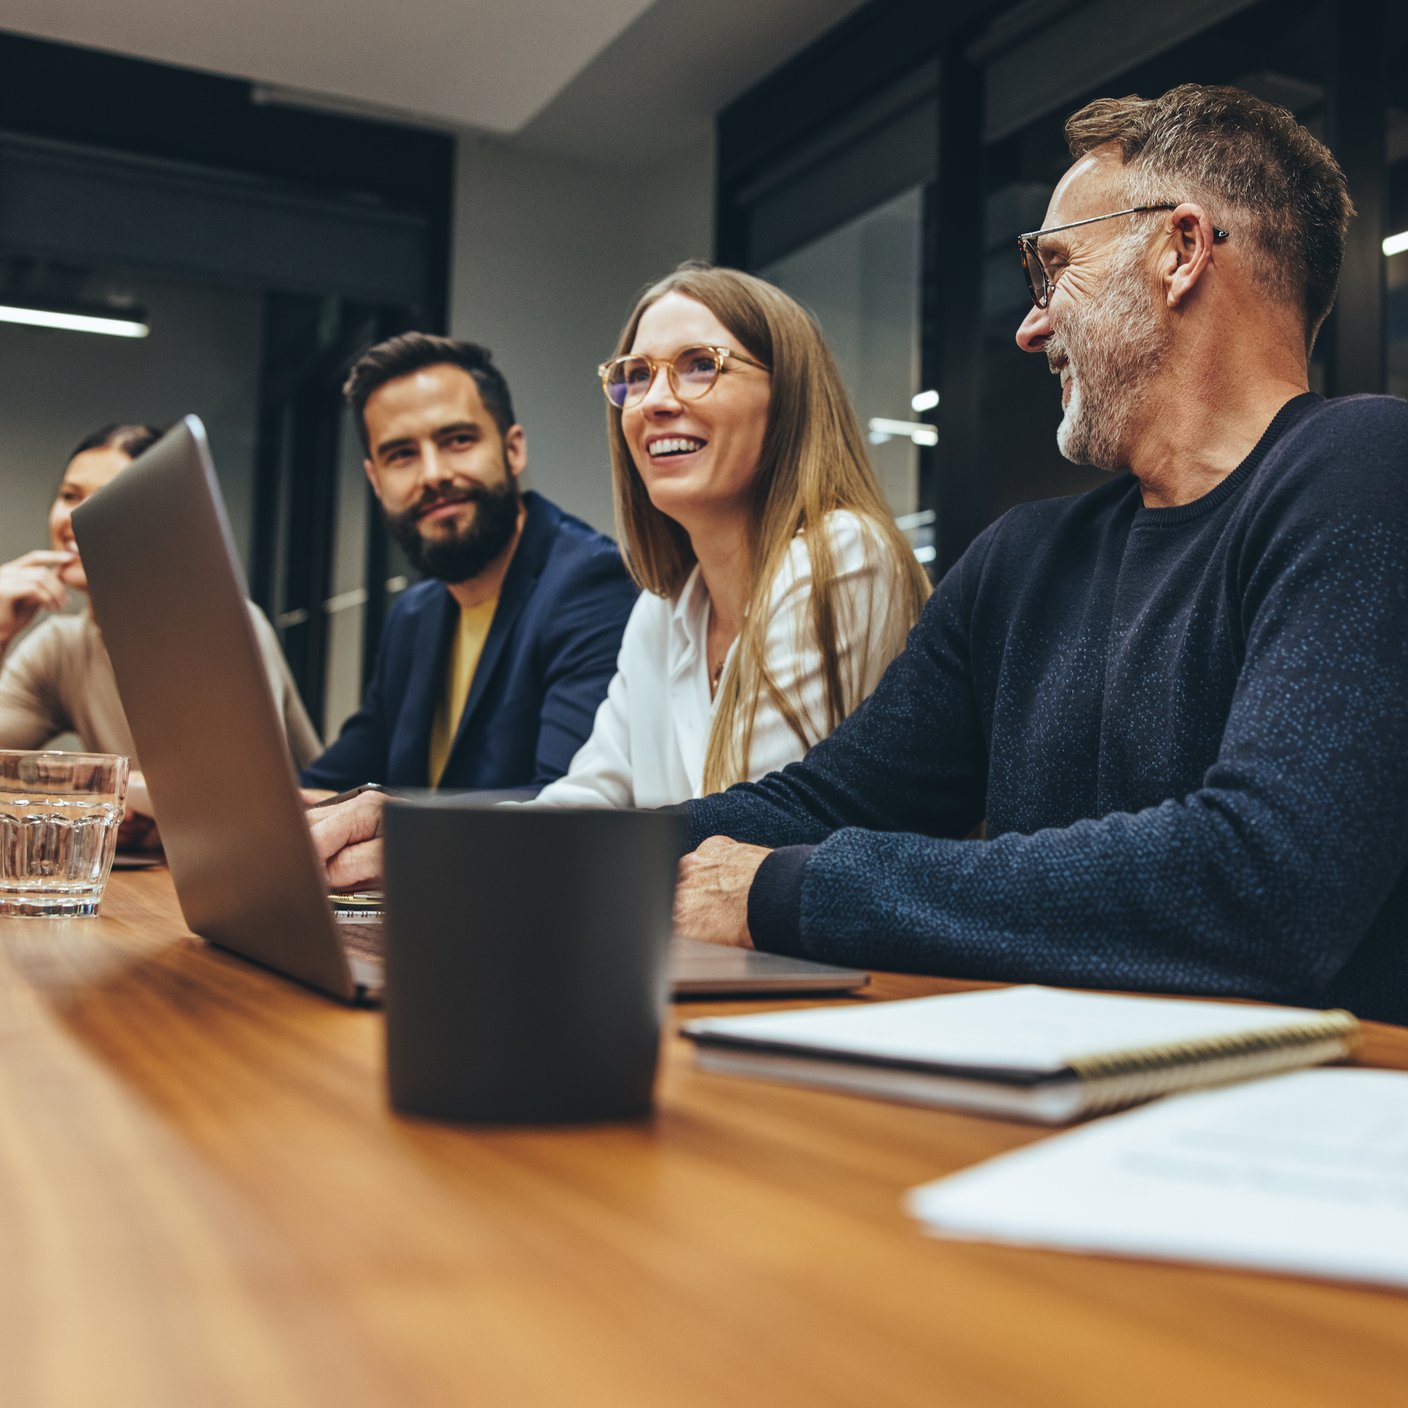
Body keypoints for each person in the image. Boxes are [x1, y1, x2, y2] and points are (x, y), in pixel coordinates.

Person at [671, 84, 1408, 1028]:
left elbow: (1266, 879)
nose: (1030, 325)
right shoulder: (1021, 560)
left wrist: (790, 892)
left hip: (1291, 1134)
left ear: (1180, 250)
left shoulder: (1365, 467)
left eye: (1055, 269)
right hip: (1042, 1094)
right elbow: (830, 801)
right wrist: (558, 858)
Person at [307, 268, 931, 885]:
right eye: (636, 375)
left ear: (789, 396)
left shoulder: (843, 555)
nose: (655, 401)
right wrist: (417, 833)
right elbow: (586, 797)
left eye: (700, 364)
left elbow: (746, 838)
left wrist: (438, 849)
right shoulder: (664, 609)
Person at [300, 333, 638, 795]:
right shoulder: (412, 616)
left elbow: (566, 807)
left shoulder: (591, 584)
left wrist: (386, 826)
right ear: (376, 481)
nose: (433, 474)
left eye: (457, 440)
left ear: (513, 449)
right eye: (402, 455)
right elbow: (333, 781)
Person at [0, 423, 320, 840]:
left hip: (282, 860)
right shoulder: (60, 646)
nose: (77, 518)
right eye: (70, 496)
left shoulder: (226, 626)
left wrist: (107, 796)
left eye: (107, 500)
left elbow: (242, 797)